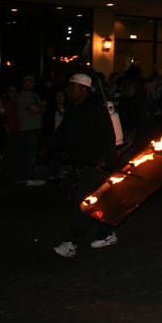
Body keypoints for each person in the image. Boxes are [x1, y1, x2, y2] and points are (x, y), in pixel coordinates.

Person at [42, 74, 118, 258]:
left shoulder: (95, 108)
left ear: (85, 90)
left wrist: (104, 158)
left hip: (96, 163)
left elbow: (108, 134)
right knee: (96, 200)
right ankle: (106, 233)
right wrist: (48, 146)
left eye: (73, 87)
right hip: (82, 162)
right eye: (69, 87)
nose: (69, 91)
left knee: (83, 201)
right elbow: (64, 132)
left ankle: (72, 242)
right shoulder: (74, 108)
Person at [17, 75, 46, 186]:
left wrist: (38, 109)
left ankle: (23, 177)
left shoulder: (33, 95)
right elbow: (37, 108)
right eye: (26, 82)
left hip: (32, 128)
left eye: (30, 82)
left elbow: (43, 108)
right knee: (29, 154)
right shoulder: (23, 96)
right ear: (23, 84)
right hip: (27, 128)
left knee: (27, 153)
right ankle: (29, 178)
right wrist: (37, 109)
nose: (28, 84)